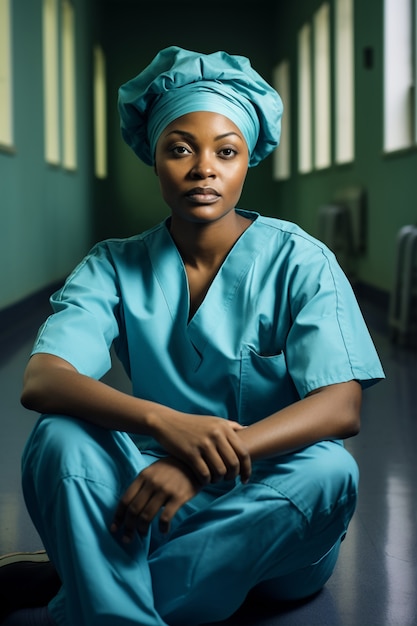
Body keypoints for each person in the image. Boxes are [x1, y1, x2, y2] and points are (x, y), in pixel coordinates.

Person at [0, 46, 384, 626]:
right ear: (153, 158)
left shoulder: (302, 261)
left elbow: (340, 405)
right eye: (179, 148)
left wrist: (198, 464)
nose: (204, 168)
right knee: (60, 437)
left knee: (331, 471)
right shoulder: (114, 265)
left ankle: (90, 587)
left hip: (268, 508)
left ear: (247, 160)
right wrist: (165, 425)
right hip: (147, 494)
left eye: (226, 152)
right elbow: (44, 379)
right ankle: (109, 592)